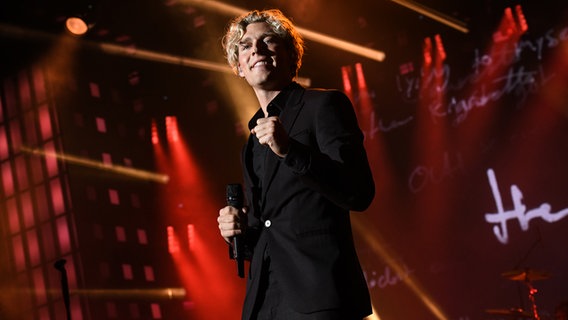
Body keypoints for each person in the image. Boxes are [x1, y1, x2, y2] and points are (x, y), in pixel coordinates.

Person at [217, 9, 375, 320]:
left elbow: (359, 192)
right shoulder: (251, 144)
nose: (256, 50)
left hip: (320, 297)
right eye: (246, 46)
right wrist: (236, 233)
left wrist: (291, 150)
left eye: (268, 41)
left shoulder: (323, 106)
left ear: (291, 55)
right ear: (239, 67)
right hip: (264, 303)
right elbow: (270, 231)